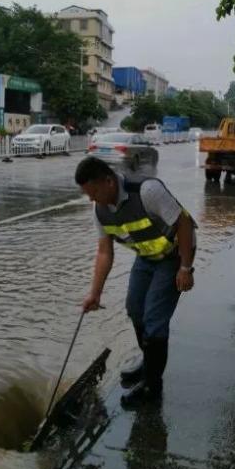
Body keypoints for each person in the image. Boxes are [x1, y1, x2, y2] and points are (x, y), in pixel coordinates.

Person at [75, 157, 196, 407]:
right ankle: (148, 363)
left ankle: (152, 388)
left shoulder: (147, 191)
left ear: (108, 181)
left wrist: (185, 267)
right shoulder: (100, 211)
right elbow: (104, 253)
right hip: (147, 257)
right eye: (87, 194)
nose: (91, 199)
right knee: (134, 309)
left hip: (174, 256)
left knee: (154, 319)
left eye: (94, 192)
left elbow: (183, 223)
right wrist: (94, 294)